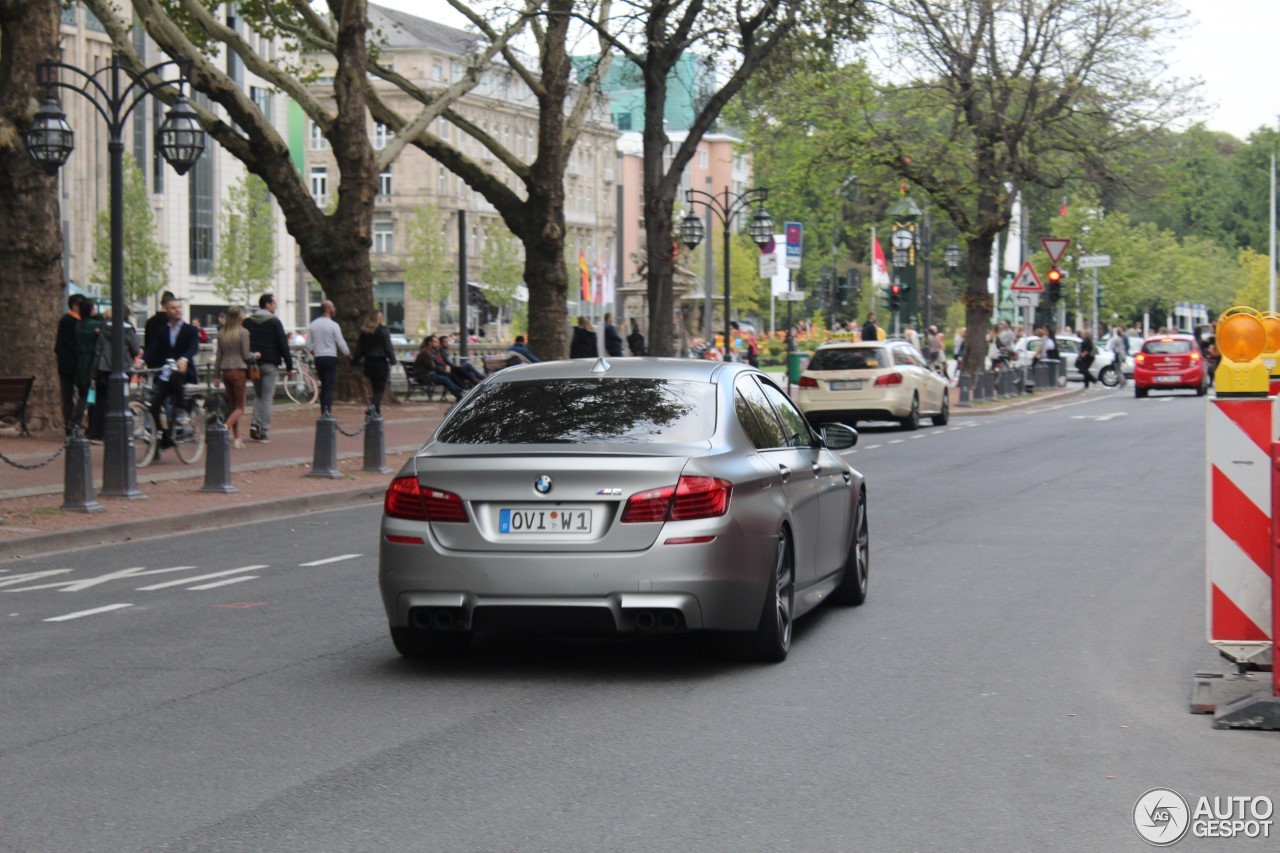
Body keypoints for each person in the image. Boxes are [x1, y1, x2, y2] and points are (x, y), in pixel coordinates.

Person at [143, 297, 200, 456]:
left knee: (176, 375)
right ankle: (164, 436)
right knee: (153, 406)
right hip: (165, 374)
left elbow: (193, 347)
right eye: (173, 308)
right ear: (167, 310)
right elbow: (153, 349)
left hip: (183, 372)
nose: (177, 310)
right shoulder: (163, 330)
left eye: (179, 307)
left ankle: (182, 410)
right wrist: (141, 361)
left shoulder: (190, 330)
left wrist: (184, 359)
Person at [87, 307, 141, 443]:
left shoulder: (104, 329)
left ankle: (98, 433)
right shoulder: (128, 329)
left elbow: (98, 351)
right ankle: (117, 432)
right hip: (123, 369)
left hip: (103, 368)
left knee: (102, 401)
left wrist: (94, 372)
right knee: (121, 401)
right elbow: (135, 350)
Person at [246, 293, 294, 443]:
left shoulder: (247, 322)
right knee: (267, 397)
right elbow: (283, 344)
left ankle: (254, 422)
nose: (276, 305)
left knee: (258, 394)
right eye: (274, 303)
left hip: (253, 364)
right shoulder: (274, 322)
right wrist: (289, 365)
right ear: (267, 304)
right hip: (270, 364)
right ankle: (263, 430)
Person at [215, 306, 260, 449]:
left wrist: (216, 376)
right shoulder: (243, 332)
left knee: (232, 406)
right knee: (240, 407)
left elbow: (218, 356)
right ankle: (224, 428)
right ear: (240, 318)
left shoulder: (222, 333)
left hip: (225, 370)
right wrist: (256, 355)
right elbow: (246, 355)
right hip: (238, 370)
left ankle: (237, 437)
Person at [308, 299, 349, 417]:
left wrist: (314, 351)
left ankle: (323, 409)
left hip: (319, 357)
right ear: (328, 309)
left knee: (323, 383)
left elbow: (308, 344)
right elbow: (340, 342)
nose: (334, 309)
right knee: (328, 386)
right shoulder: (333, 325)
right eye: (333, 307)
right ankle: (327, 410)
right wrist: (347, 354)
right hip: (330, 356)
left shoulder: (314, 324)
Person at [353, 310, 396, 414]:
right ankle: (373, 407)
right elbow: (388, 346)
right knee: (380, 389)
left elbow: (359, 349)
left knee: (374, 387)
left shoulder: (365, 332)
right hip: (381, 361)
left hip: (369, 361)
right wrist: (393, 360)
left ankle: (376, 410)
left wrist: (356, 360)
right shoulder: (383, 331)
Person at [56, 294, 84, 434]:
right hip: (74, 365)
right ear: (75, 305)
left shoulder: (65, 320)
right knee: (81, 394)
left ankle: (70, 423)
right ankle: (73, 423)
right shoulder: (72, 322)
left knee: (67, 397)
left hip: (64, 366)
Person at [74, 300, 103, 433]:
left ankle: (78, 422)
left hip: (80, 362)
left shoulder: (78, 325)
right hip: (91, 362)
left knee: (84, 394)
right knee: (90, 393)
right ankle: (83, 423)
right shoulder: (95, 325)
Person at [413, 336, 464, 401]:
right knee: (445, 379)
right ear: (430, 343)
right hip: (424, 377)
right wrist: (443, 369)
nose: (438, 344)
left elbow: (437, 364)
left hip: (429, 375)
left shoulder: (430, 351)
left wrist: (446, 367)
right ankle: (460, 395)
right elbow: (432, 367)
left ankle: (461, 392)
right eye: (435, 342)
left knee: (450, 375)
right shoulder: (426, 352)